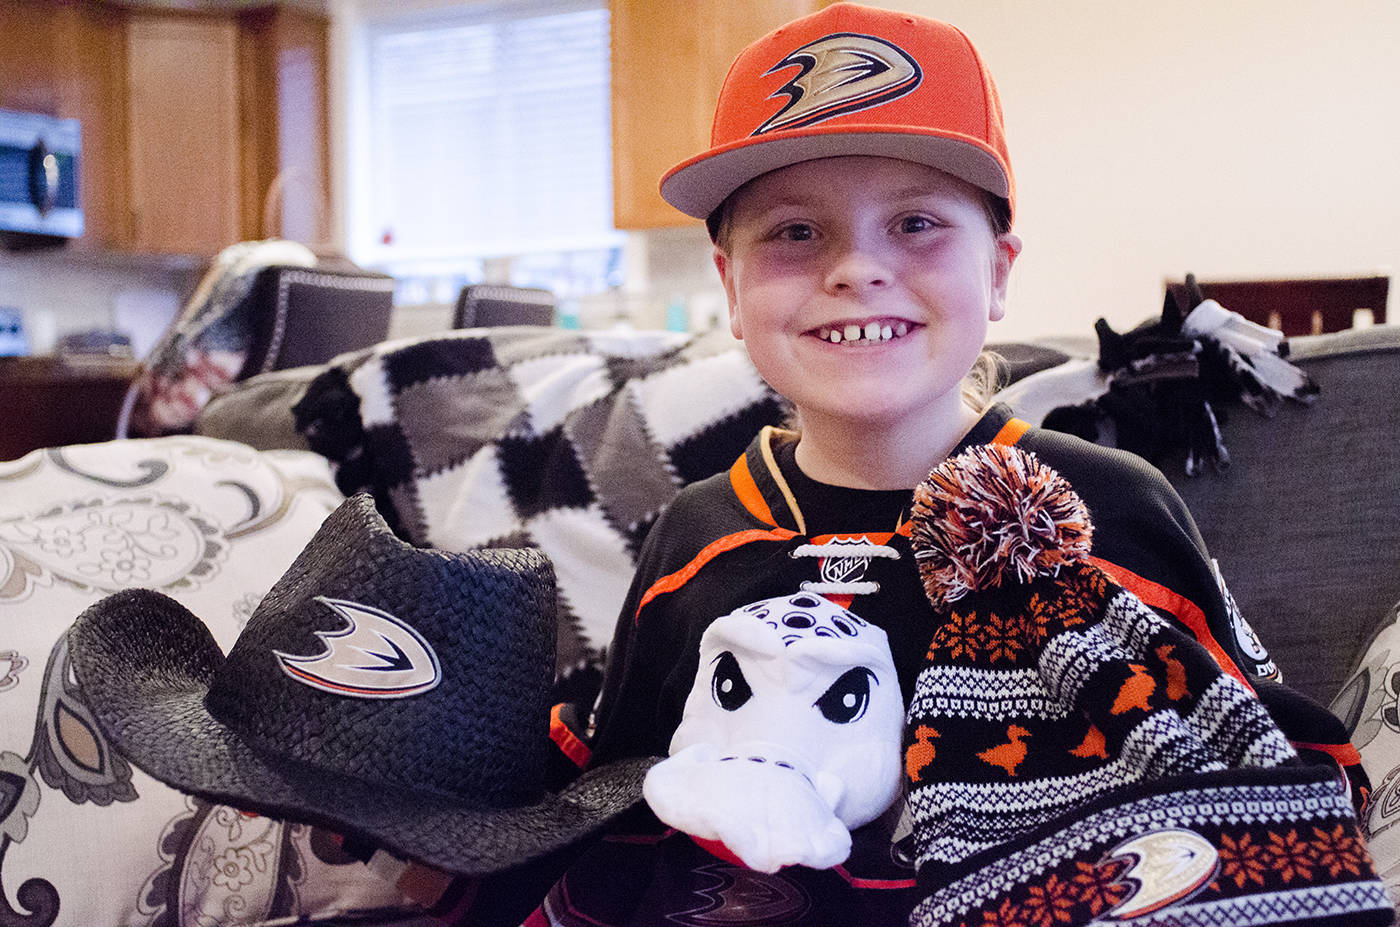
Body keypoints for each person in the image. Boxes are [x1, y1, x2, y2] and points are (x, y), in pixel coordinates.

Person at [526, 4, 1367, 924]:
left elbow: (1268, 778)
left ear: (999, 271)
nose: (856, 269)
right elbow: (618, 814)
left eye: (916, 222)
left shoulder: (1111, 507)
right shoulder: (692, 535)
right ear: (729, 286)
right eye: (794, 232)